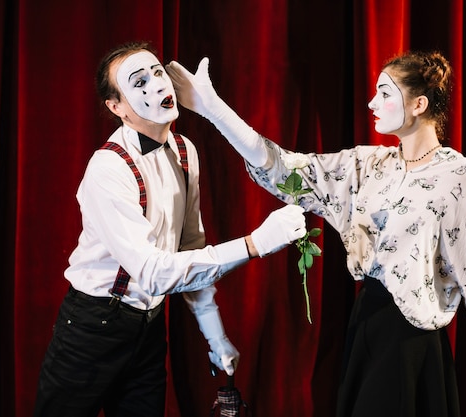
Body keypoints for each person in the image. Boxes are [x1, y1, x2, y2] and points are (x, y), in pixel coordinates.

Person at [166, 50, 466, 416]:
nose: (372, 103)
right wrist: (213, 109)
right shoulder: (370, 163)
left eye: (384, 93)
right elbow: (284, 168)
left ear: (419, 105)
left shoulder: (459, 176)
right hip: (367, 321)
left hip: (410, 339)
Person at [33, 42, 307, 417]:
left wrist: (216, 335)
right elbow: (153, 271)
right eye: (139, 82)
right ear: (117, 108)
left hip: (148, 328)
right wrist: (253, 244)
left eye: (159, 73)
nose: (157, 85)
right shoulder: (108, 168)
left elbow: (189, 248)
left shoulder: (184, 150)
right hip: (93, 327)